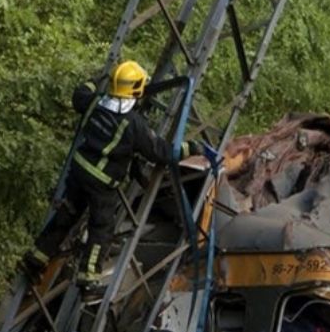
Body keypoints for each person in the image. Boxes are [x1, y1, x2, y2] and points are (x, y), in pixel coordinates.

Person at [21, 60, 198, 298]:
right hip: (101, 184)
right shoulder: (132, 123)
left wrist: (95, 81)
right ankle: (88, 279)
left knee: (66, 215)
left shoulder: (95, 103)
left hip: (78, 172)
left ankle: (35, 259)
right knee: (101, 230)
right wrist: (192, 147)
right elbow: (161, 152)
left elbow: (80, 94)